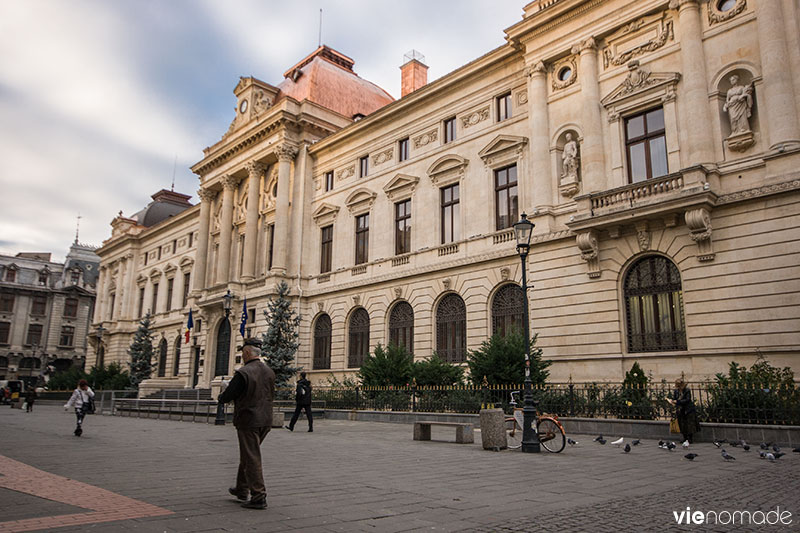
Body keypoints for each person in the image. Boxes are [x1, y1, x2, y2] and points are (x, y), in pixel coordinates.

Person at [218, 338, 275, 510]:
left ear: (248, 353)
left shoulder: (244, 373)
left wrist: (222, 393)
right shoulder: (269, 371)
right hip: (265, 419)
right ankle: (241, 489)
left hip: (249, 419)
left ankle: (258, 496)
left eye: (243, 353)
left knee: (251, 456)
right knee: (249, 454)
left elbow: (228, 396)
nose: (242, 356)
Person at [668, 378, 699, 446]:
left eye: (679, 386)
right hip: (680, 409)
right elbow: (675, 398)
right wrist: (672, 401)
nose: (678, 388)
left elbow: (688, 399)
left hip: (688, 409)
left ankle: (690, 438)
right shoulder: (676, 391)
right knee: (682, 423)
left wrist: (678, 401)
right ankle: (684, 438)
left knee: (689, 424)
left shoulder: (687, 390)